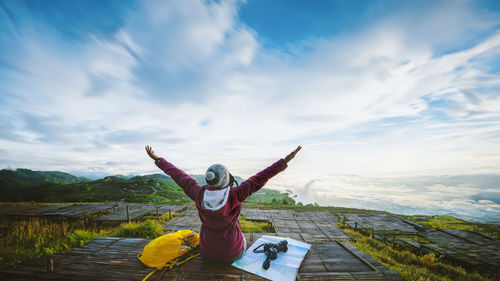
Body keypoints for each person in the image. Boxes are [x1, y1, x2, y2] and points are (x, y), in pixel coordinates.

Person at [145, 145, 301, 262]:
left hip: (207, 252)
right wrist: (284, 161)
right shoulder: (235, 194)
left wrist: (158, 160)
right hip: (232, 253)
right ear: (226, 179)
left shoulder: (197, 193)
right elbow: (261, 177)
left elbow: (178, 174)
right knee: (243, 239)